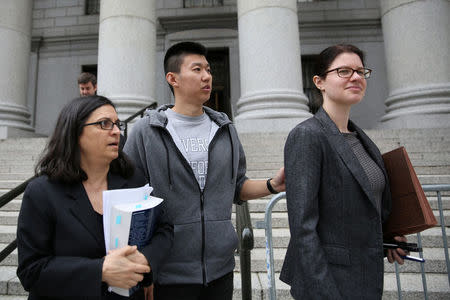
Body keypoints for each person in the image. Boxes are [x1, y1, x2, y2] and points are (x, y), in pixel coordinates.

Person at [124, 41, 285, 300]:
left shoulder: (225, 129)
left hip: (219, 271)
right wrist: (142, 268)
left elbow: (237, 186)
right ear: (172, 78)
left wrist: (272, 185)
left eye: (208, 69)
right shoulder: (145, 132)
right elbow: (129, 202)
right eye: (197, 69)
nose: (207, 76)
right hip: (166, 273)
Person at [280, 44, 407, 299]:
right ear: (319, 82)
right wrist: (325, 292)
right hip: (327, 282)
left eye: (361, 71)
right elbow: (303, 228)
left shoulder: (362, 140)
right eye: (344, 71)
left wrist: (389, 237)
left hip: (365, 276)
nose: (357, 77)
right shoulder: (307, 136)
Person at [16, 96, 173, 299]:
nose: (117, 131)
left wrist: (145, 260)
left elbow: (164, 228)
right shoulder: (41, 192)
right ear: (75, 132)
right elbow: (31, 271)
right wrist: (101, 271)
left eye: (117, 124)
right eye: (104, 124)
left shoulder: (132, 179)